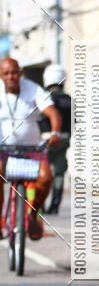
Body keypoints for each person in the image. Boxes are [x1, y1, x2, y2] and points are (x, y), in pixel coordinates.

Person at [0, 57, 61, 240]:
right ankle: (0, 220)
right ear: (0, 75)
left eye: (14, 72)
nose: (11, 77)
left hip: (32, 150)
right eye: (6, 73)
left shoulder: (33, 89)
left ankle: (33, 215)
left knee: (46, 178)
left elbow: (52, 112)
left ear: (20, 73)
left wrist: (55, 132)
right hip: (4, 150)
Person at [38, 64, 71, 214]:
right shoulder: (69, 100)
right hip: (64, 140)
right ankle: (54, 206)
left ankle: (40, 205)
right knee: (59, 172)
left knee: (42, 171)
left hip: (46, 139)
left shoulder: (45, 98)